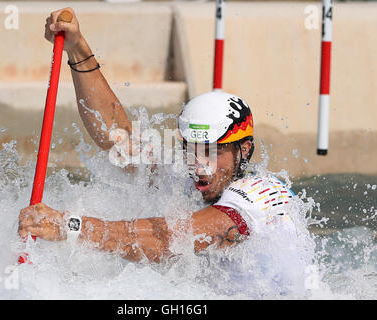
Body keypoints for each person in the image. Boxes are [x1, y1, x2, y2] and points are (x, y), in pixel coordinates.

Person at [18, 8, 300, 266]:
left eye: (213, 151)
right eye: (192, 149)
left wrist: (70, 227)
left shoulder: (264, 196)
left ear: (244, 149)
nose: (199, 166)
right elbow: (119, 139)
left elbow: (170, 240)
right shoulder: (188, 181)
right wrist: (77, 49)